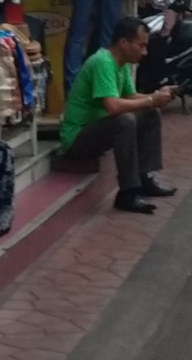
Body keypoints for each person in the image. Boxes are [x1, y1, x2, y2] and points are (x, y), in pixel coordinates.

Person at [58, 17, 177, 214]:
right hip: (76, 139)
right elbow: (113, 106)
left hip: (97, 129)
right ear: (124, 42)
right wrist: (150, 100)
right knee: (125, 120)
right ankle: (127, 192)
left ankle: (145, 178)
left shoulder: (120, 64)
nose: (145, 52)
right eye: (141, 46)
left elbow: (130, 96)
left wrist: (157, 97)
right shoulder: (103, 62)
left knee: (150, 113)